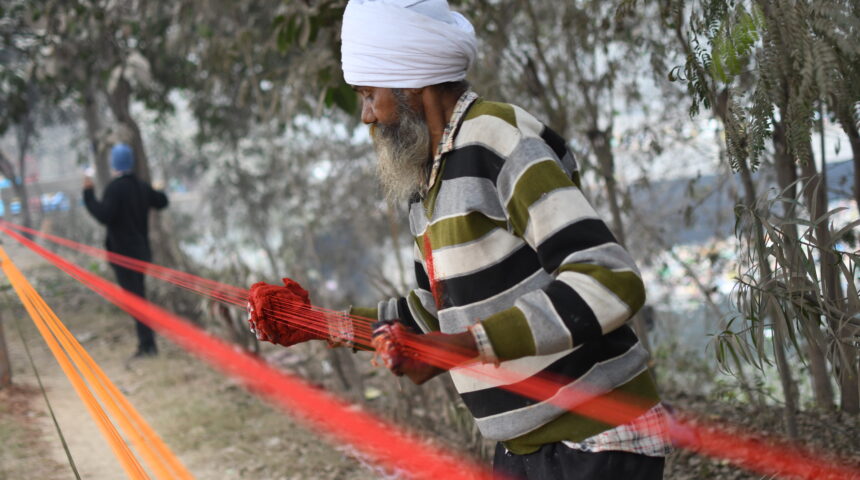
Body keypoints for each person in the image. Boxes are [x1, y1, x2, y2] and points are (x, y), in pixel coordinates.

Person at [248, 1, 671, 478]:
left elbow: (610, 280)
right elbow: (429, 318)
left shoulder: (496, 138)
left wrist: (464, 347)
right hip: (523, 448)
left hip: (595, 440)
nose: (366, 117)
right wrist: (315, 323)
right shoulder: (425, 181)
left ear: (412, 85)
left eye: (369, 95)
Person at [83, 143, 168, 359]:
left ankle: (148, 346)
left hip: (123, 256)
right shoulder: (140, 186)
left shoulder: (115, 188)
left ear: (114, 164)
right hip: (141, 253)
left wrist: (88, 195)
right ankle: (147, 344)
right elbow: (162, 201)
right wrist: (158, 188)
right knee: (138, 298)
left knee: (135, 300)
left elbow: (104, 215)